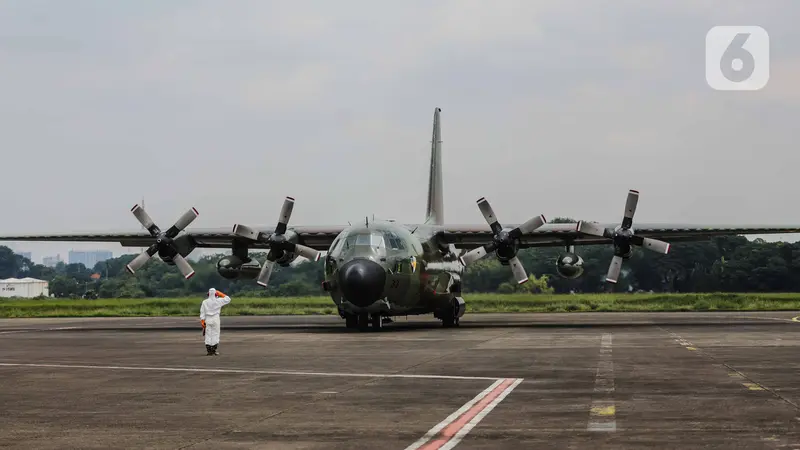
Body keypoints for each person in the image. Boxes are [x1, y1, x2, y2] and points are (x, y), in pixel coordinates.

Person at [200, 288, 231, 356]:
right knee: (215, 334)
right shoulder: (218, 300)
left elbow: (202, 312)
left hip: (208, 319)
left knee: (208, 334)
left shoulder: (204, 302)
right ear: (216, 294)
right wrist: (221, 294)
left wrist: (202, 320)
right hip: (215, 318)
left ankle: (209, 350)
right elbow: (228, 299)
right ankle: (213, 350)